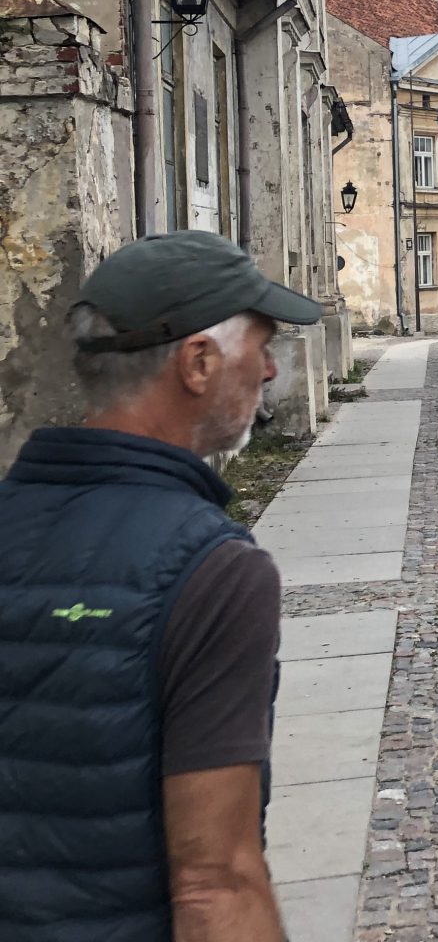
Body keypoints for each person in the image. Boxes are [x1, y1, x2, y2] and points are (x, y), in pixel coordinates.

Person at [0, 230, 324, 941]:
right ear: (199, 362)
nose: (270, 370)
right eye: (260, 346)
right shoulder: (212, 570)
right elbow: (216, 885)